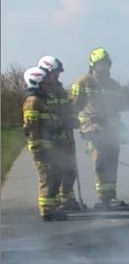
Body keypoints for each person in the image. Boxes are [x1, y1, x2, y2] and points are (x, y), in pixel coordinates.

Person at [70, 48, 127, 209]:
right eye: (100, 64)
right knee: (100, 162)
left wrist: (122, 128)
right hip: (94, 130)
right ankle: (102, 199)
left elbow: (118, 108)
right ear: (93, 65)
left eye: (106, 64)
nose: (103, 67)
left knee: (112, 163)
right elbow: (73, 106)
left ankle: (111, 196)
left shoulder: (114, 85)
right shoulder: (83, 82)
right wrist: (81, 125)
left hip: (112, 131)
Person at [23, 67, 70, 221]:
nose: (49, 84)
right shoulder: (33, 101)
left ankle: (52, 207)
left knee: (55, 175)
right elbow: (32, 127)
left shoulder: (42, 99)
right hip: (41, 148)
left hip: (50, 145)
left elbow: (48, 122)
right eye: (46, 82)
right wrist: (38, 148)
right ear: (36, 83)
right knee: (47, 178)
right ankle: (47, 211)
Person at [37, 55, 82, 212]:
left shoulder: (59, 89)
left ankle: (68, 200)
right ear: (46, 72)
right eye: (54, 73)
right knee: (55, 173)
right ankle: (54, 204)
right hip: (52, 140)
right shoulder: (40, 92)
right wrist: (60, 125)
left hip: (66, 139)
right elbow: (43, 118)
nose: (57, 76)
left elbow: (68, 108)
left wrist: (74, 120)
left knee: (70, 170)